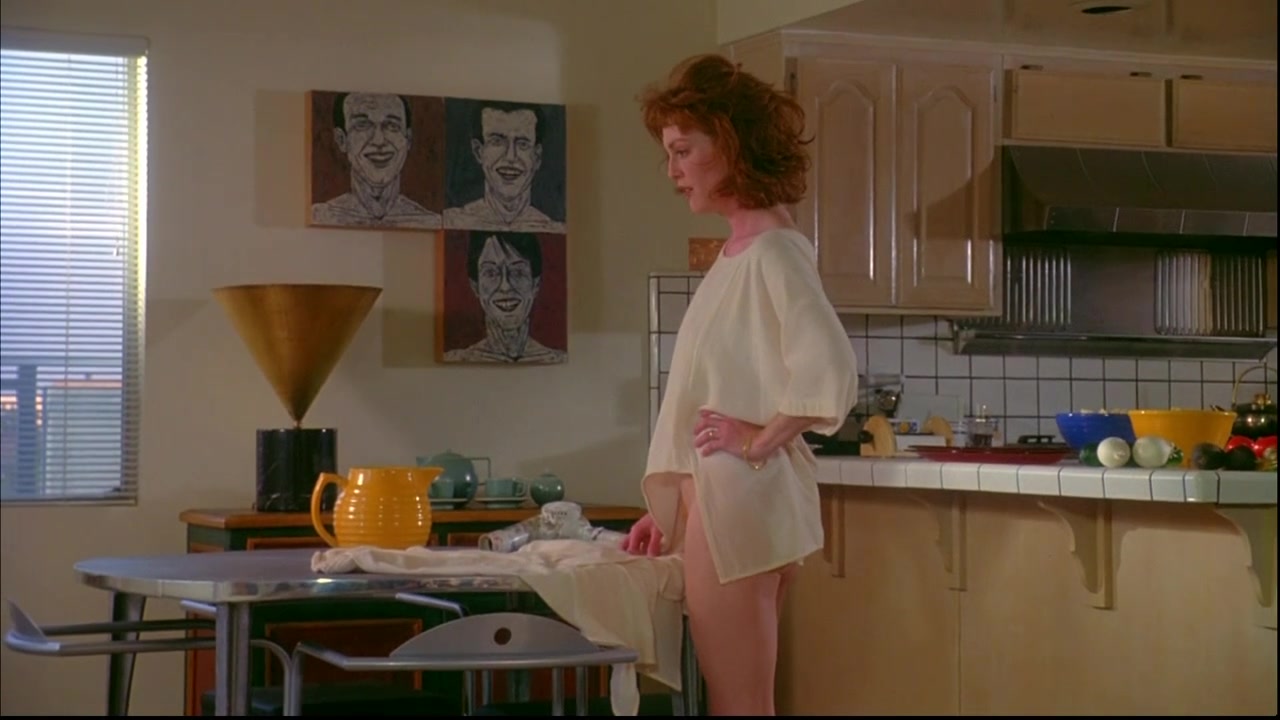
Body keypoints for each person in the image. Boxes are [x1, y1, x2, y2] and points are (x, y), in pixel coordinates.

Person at [621, 54, 859, 716]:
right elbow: (712, 391)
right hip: (727, 502)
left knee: (740, 705)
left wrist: (755, 440)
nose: (673, 171)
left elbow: (831, 370)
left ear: (729, 144)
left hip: (738, 504)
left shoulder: (774, 252)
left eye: (683, 151)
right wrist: (669, 511)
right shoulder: (741, 252)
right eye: (669, 154)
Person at [311, 92, 441, 229]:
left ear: (408, 139)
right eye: (362, 125)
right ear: (341, 140)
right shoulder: (320, 215)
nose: (379, 141)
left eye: (392, 125)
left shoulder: (431, 221)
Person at [443, 230, 567, 364]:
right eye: (491, 273)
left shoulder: (557, 359)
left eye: (518, 272)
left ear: (535, 284)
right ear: (475, 287)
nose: (505, 286)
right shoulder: (457, 359)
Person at [443, 100, 566, 233]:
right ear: (478, 151)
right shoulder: (451, 221)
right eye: (497, 141)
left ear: (537, 157)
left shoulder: (555, 229)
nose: (510, 157)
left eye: (522, 144)